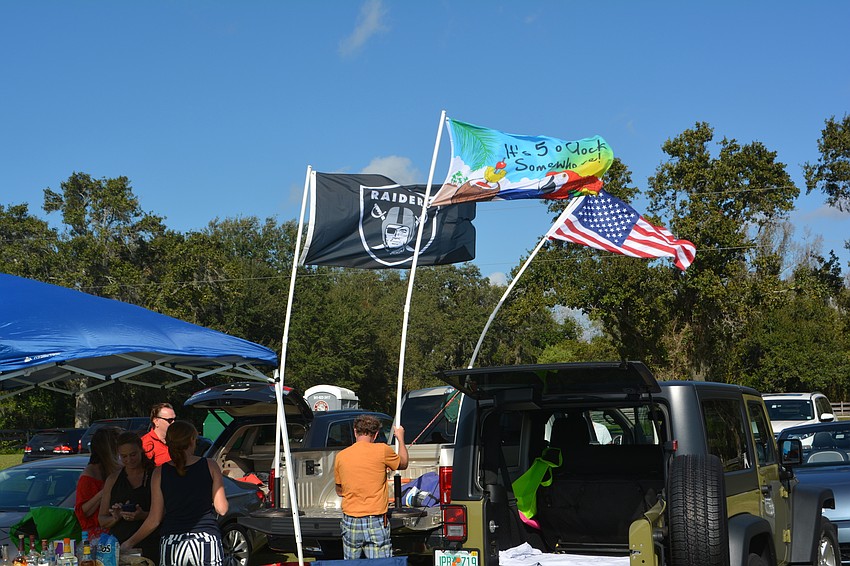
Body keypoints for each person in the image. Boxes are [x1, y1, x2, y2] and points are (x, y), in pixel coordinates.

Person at [121, 420, 228, 566]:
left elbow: (155, 519)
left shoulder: (160, 472)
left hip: (173, 540)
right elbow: (222, 509)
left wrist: (129, 542)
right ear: (191, 440)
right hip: (205, 538)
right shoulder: (210, 465)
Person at [334, 415, 408, 560]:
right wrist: (400, 438)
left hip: (350, 519)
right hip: (375, 518)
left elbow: (339, 490)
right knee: (380, 563)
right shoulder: (382, 450)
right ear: (375, 435)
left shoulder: (341, 456)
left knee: (351, 564)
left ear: (355, 432)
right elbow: (403, 463)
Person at [98, 432, 160, 564]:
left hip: (150, 545)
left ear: (141, 450)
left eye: (133, 455)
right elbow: (102, 519)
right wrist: (116, 516)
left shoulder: (154, 475)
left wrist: (142, 515)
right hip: (120, 546)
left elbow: (162, 514)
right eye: (124, 456)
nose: (129, 460)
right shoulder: (113, 479)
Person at [75, 426, 121, 538]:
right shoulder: (89, 475)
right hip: (96, 535)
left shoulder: (116, 469)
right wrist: (103, 492)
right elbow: (82, 512)